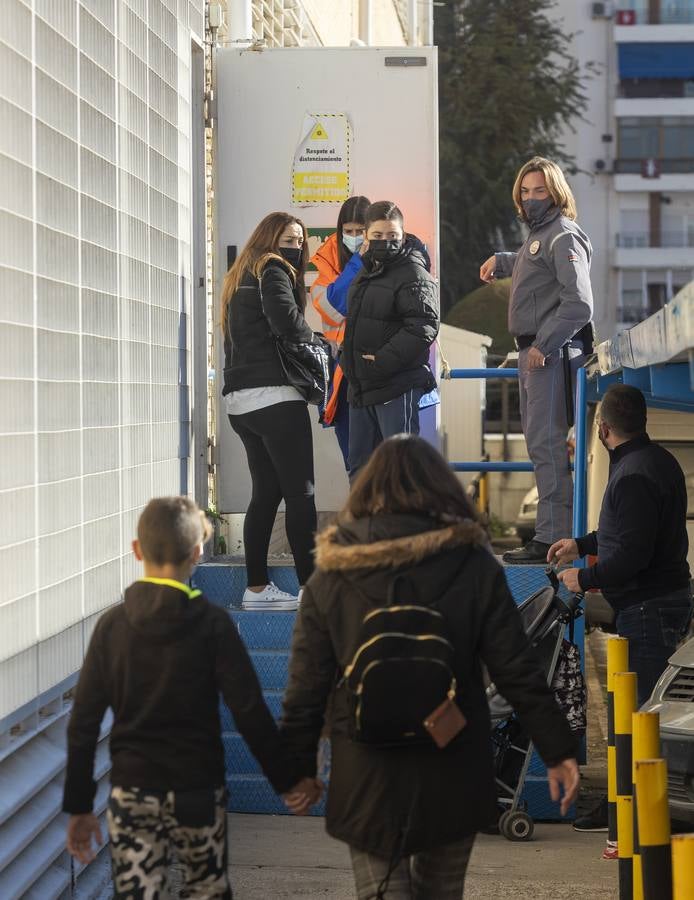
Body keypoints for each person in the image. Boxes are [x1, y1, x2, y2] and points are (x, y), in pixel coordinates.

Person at [281, 436, 580, 900]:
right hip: (452, 762)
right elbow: (516, 667)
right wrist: (559, 750)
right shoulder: (474, 565)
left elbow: (305, 686)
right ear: (442, 489)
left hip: (366, 770)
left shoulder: (332, 573)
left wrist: (299, 767)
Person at [62, 496, 318, 898]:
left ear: (136, 551)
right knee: (206, 888)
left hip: (133, 790)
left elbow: (83, 722)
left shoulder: (113, 626)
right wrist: (287, 780)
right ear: (198, 552)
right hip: (197, 788)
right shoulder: (212, 624)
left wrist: (78, 806)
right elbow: (249, 712)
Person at [547, 384, 692, 831]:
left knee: (638, 717)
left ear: (603, 427)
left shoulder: (631, 475)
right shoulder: (657, 462)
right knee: (639, 712)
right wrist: (582, 544)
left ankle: (634, 813)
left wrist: (583, 577)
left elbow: (631, 554)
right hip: (659, 603)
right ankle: (626, 805)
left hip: (647, 610)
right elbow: (625, 535)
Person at [480, 157, 594, 564]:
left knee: (546, 447)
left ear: (557, 192)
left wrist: (542, 346)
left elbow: (580, 305)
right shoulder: (543, 235)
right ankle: (549, 535)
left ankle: (551, 540)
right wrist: (506, 259)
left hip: (549, 354)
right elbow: (536, 260)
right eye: (525, 192)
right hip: (537, 355)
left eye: (539, 191)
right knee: (539, 447)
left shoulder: (562, 234)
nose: (530, 199)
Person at [222, 211, 318, 610]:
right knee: (301, 495)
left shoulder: (240, 274)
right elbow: (287, 323)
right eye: (287, 239)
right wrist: (317, 343)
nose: (294, 248)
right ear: (269, 239)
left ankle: (257, 589)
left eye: (299, 242)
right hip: (276, 397)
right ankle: (312, 591)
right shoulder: (273, 267)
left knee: (266, 493)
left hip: (241, 402)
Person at [341, 201, 439, 480]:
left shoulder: (412, 272)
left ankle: (403, 525)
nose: (385, 242)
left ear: (403, 236)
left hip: (396, 386)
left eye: (392, 236)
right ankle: (364, 525)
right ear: (367, 237)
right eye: (378, 236)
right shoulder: (365, 271)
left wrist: (383, 360)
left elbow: (425, 325)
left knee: (400, 473)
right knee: (361, 473)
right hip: (362, 388)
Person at [311, 195, 372, 469]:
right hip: (343, 374)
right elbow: (333, 308)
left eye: (361, 231)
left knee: (383, 460)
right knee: (355, 460)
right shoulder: (327, 261)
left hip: (379, 369)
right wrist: (358, 263)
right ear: (340, 231)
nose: (355, 237)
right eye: (349, 231)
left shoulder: (391, 254)